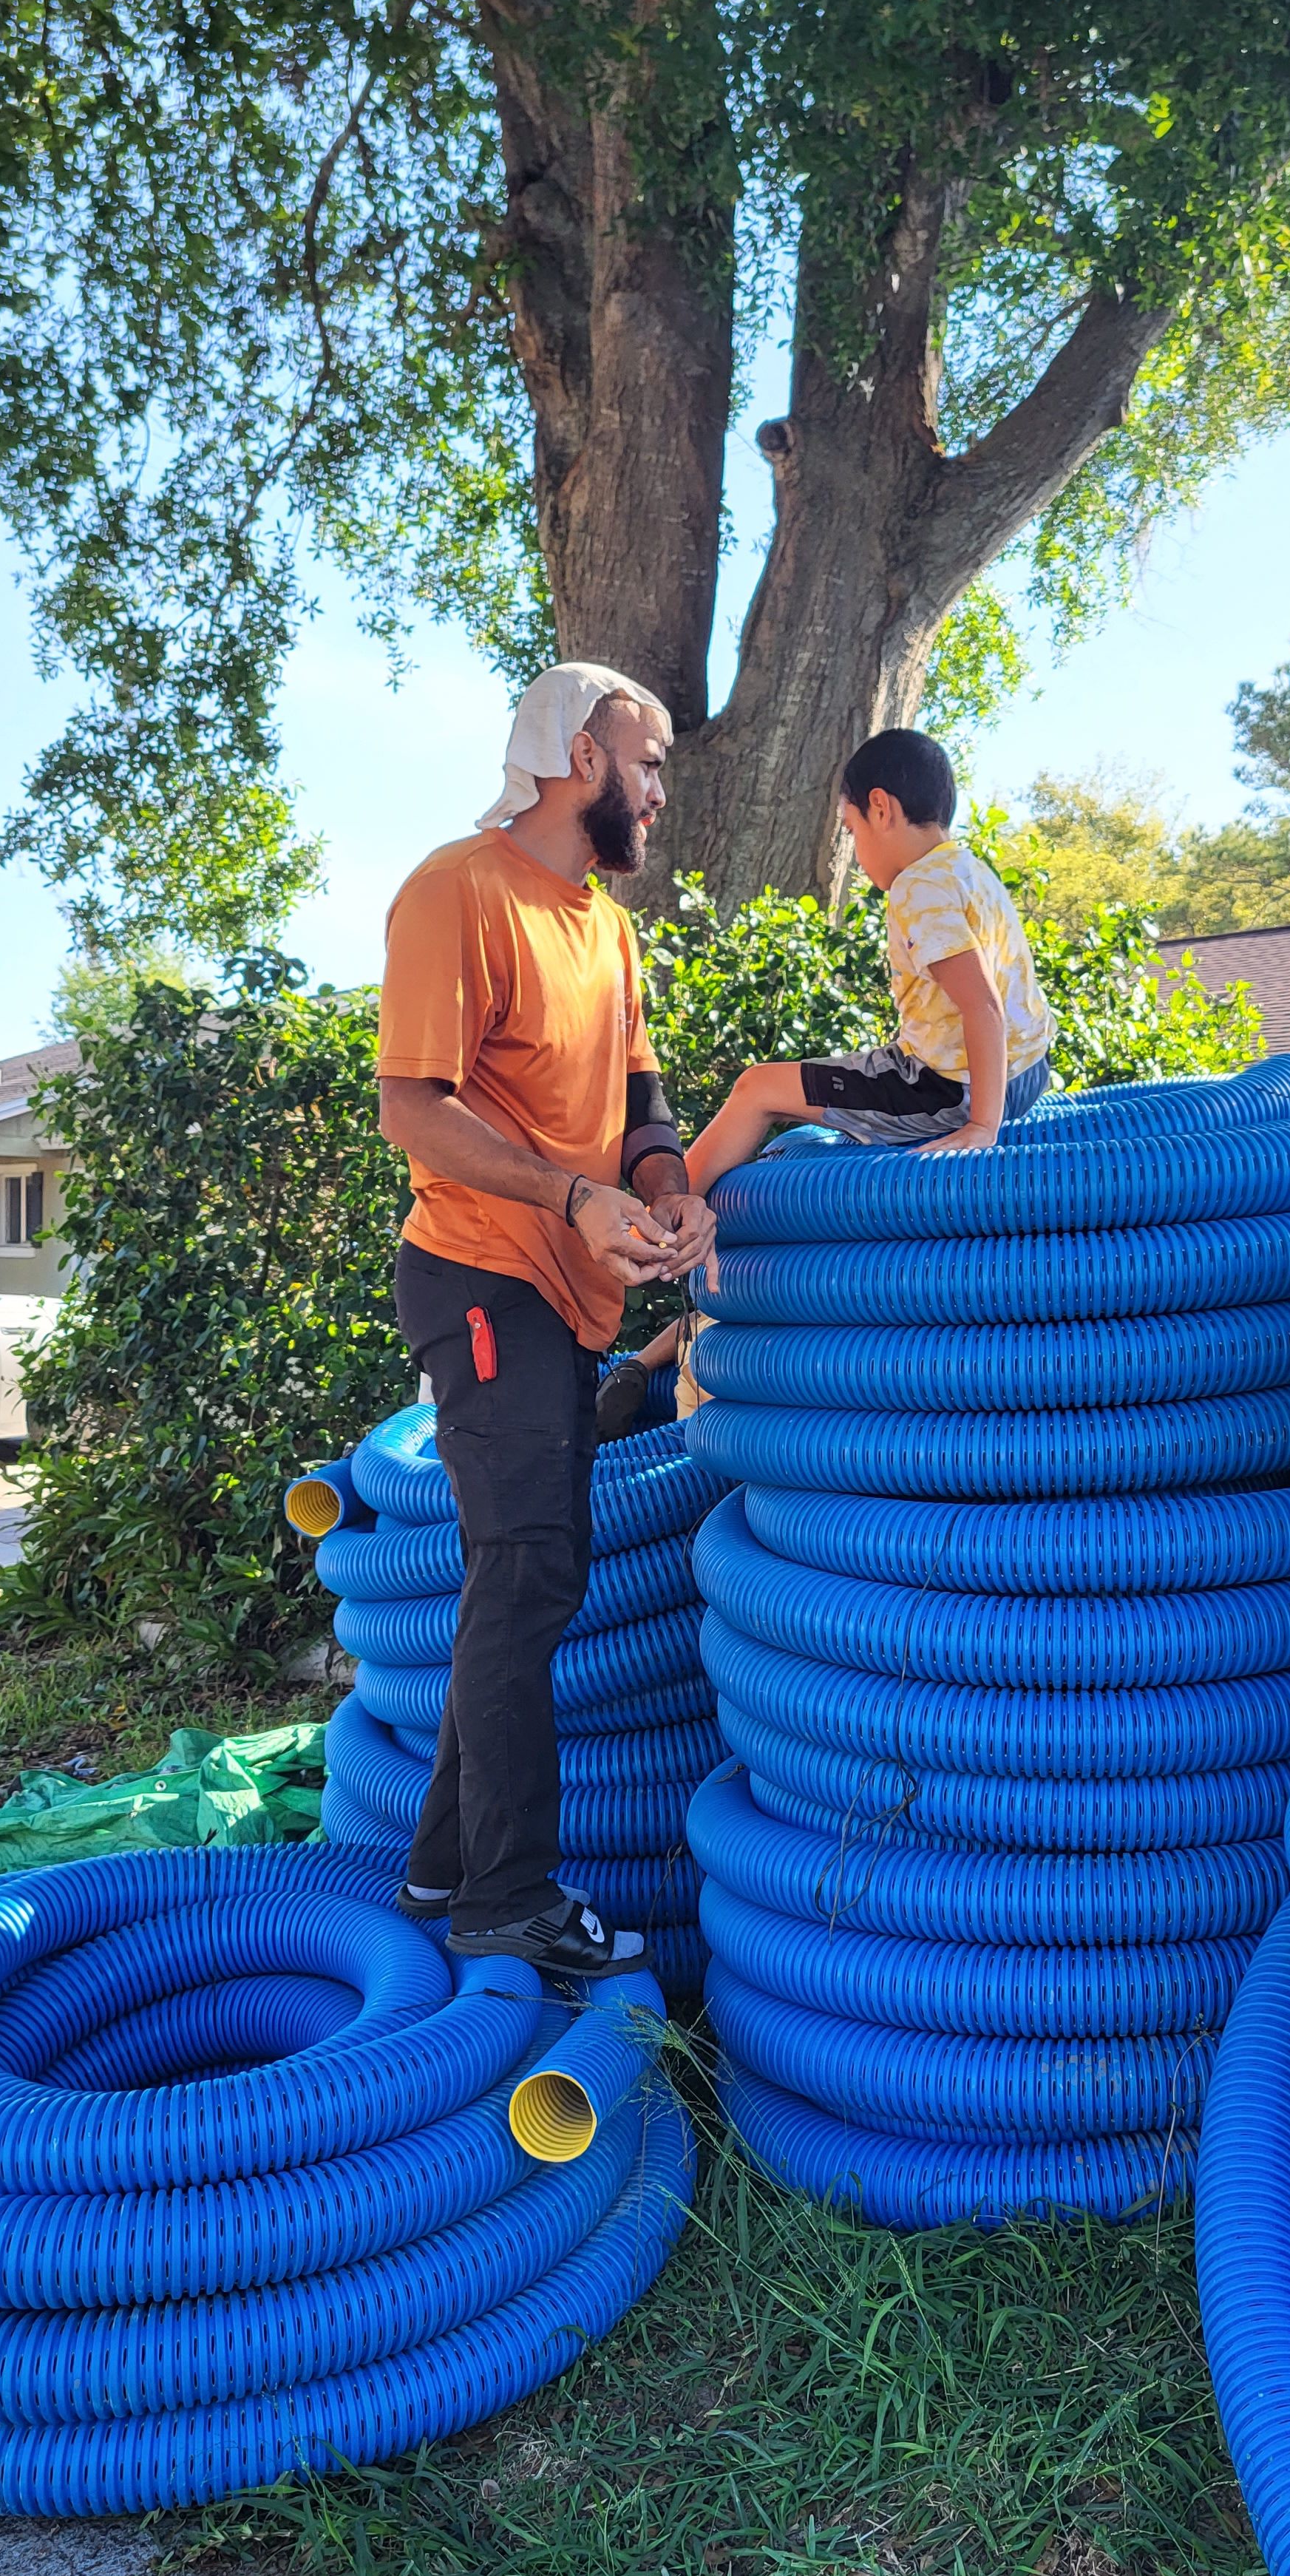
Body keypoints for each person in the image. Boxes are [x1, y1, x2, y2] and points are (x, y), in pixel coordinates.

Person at [374, 660, 716, 1969]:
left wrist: (665, 1188)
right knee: (529, 1571)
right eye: (650, 762)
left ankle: (442, 1872)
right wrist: (570, 1196)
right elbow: (414, 1107)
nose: (660, 790)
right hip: (477, 1276)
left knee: (528, 1575)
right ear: (581, 756)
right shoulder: (457, 892)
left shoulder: (604, 928)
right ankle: (508, 1897)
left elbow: (640, 1096)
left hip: (565, 1294)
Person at [681, 726, 1056, 1186]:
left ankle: (661, 1224)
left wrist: (982, 1126)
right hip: (1028, 1072)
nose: (856, 853)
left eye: (852, 830)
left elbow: (982, 1005)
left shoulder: (917, 886)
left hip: (954, 1090)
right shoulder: (970, 870)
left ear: (881, 808)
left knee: (756, 1087)